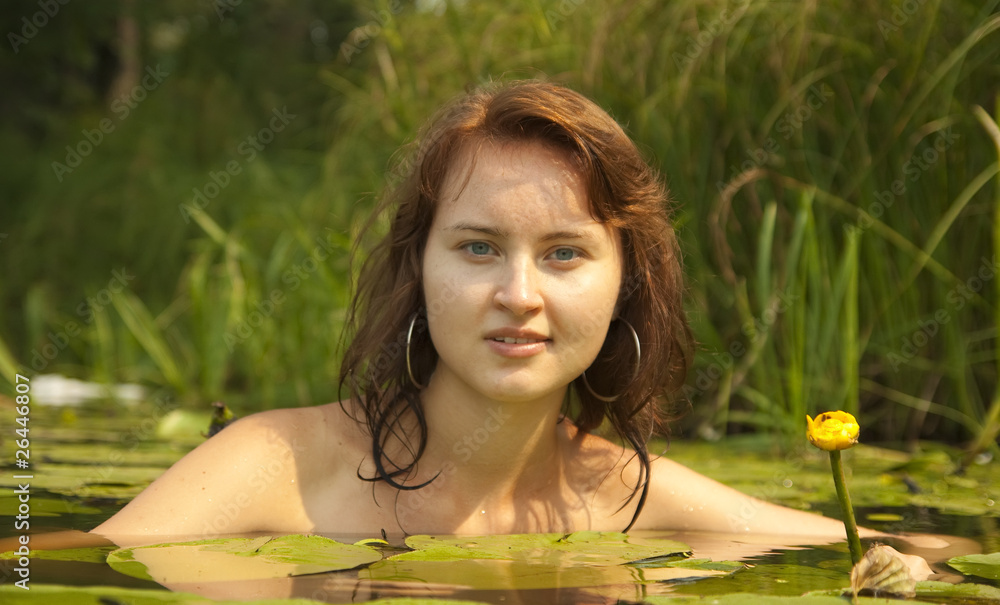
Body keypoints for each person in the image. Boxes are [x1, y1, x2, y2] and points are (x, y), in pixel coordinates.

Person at [89, 81, 939, 577]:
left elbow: (905, 546)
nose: (518, 294)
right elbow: (43, 567)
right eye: (478, 248)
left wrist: (905, 569)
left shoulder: (638, 500)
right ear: (420, 266)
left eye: (564, 253)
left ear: (625, 281)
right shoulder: (276, 464)